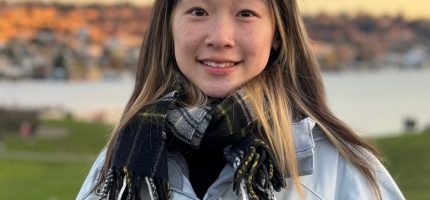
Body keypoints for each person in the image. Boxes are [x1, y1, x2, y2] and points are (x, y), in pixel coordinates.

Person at [77, 0, 405, 199]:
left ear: (278, 33)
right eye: (198, 11)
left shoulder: (340, 167)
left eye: (246, 12)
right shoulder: (123, 161)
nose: (220, 37)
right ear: (169, 29)